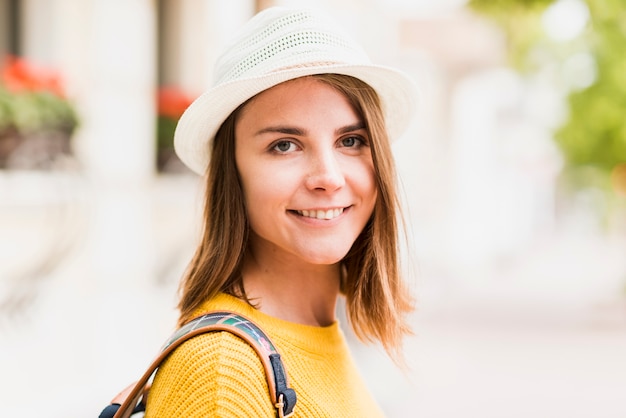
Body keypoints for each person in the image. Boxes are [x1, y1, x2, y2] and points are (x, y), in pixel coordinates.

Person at [145, 6, 417, 418]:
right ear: (232, 173)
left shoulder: (317, 334)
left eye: (351, 141)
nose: (328, 177)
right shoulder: (224, 374)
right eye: (284, 145)